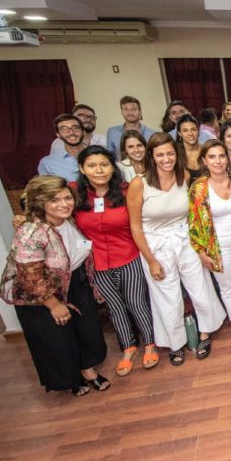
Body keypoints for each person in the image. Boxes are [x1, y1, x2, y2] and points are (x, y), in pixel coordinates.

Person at [0, 175, 109, 396]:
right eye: (55, 200)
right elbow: (31, 277)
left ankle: (87, 369)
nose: (64, 204)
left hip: (76, 282)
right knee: (58, 340)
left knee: (86, 329)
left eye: (67, 198)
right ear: (41, 202)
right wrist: (54, 304)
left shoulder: (69, 221)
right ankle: (72, 380)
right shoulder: (31, 233)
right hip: (42, 297)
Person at [127, 133, 225, 366]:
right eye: (160, 154)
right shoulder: (139, 184)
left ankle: (204, 332)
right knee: (168, 297)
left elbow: (194, 214)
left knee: (199, 287)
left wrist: (201, 248)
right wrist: (150, 260)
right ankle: (176, 343)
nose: (166, 159)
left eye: (170, 153)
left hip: (184, 239)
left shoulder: (185, 176)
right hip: (155, 244)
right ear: (151, 156)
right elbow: (135, 226)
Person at [74, 146, 157, 375]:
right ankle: (129, 347)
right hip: (97, 262)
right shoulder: (75, 194)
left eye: (104, 164)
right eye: (91, 165)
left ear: (113, 167)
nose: (98, 170)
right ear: (82, 168)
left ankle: (150, 343)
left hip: (128, 255)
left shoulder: (126, 190)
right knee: (115, 307)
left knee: (136, 302)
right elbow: (44, 201)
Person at [188, 140, 231, 347]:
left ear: (227, 158)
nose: (218, 161)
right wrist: (201, 252)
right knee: (228, 288)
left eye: (221, 156)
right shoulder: (199, 188)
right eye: (212, 157)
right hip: (218, 247)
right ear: (204, 161)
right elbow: (193, 222)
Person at [38, 114, 87, 182]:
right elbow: (46, 191)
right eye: (64, 129)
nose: (71, 132)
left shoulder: (99, 155)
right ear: (58, 134)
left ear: (83, 131)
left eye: (75, 128)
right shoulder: (47, 163)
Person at [175, 114, 206, 180]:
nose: (190, 133)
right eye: (185, 130)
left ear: (198, 131)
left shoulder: (206, 150)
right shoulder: (175, 153)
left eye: (193, 129)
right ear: (179, 133)